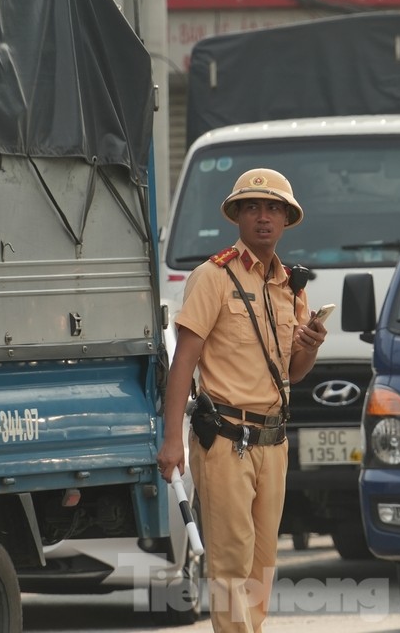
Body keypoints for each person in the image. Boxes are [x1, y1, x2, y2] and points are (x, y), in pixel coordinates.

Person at [156, 167, 327, 633]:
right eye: (253, 207)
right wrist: (172, 441)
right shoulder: (212, 277)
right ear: (237, 216)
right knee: (232, 571)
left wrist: (309, 344)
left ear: (287, 218)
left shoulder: (291, 285)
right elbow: (183, 364)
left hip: (274, 442)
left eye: (273, 208)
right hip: (226, 441)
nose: (263, 217)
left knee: (262, 569)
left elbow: (292, 372)